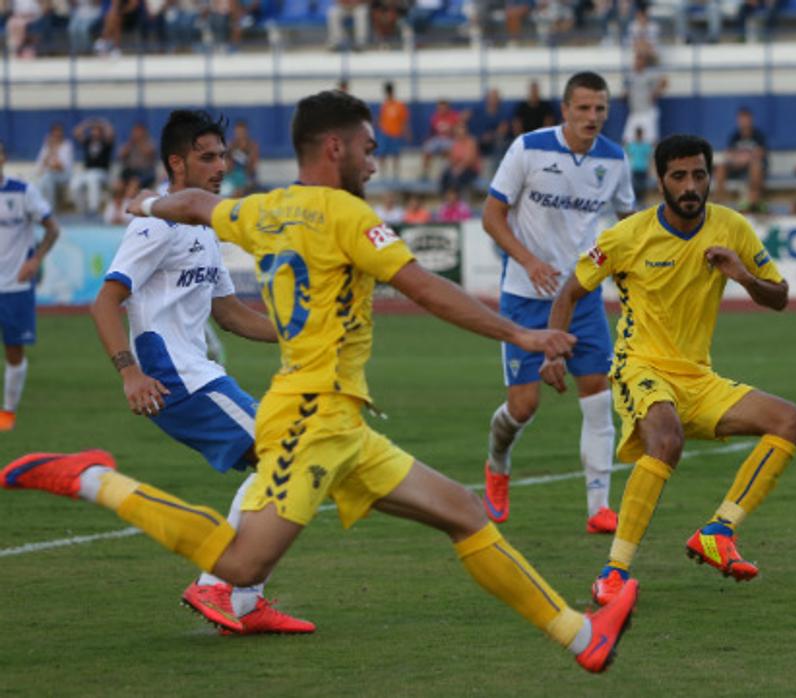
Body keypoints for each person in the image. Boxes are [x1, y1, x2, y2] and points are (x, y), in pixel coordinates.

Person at [0, 89, 638, 672]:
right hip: (309, 416)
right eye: (368, 146)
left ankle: (583, 637)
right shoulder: (347, 216)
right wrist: (522, 335)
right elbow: (425, 287)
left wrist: (144, 202)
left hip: (343, 422)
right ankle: (91, 478)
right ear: (334, 147)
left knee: (465, 512)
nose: (375, 161)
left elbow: (194, 203)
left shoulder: (264, 210)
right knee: (242, 562)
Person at [542, 133, 796, 606]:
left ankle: (718, 531)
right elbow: (570, 292)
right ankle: (614, 572)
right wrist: (553, 351)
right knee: (667, 441)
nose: (690, 186)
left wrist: (742, 276)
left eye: (699, 176)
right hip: (640, 366)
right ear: (660, 180)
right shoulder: (627, 236)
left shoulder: (731, 227)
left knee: (790, 422)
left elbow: (779, 296)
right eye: (679, 176)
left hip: (698, 378)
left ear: (711, 177)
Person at [90, 110, 315, 635]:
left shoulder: (204, 227)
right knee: (289, 452)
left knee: (284, 460)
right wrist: (130, 375)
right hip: (174, 377)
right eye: (207, 157)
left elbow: (231, 314)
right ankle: (222, 586)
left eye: (223, 155)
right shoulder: (156, 224)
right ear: (177, 163)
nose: (221, 166)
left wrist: (296, 335)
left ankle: (243, 596)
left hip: (197, 372)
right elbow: (104, 302)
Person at [481, 71, 635, 535]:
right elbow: (492, 217)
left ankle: (598, 507)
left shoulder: (615, 159)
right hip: (525, 299)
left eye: (600, 109)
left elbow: (629, 224)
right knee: (524, 407)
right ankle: (497, 462)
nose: (593, 117)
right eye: (584, 108)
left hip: (582, 296)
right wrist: (528, 261)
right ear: (565, 109)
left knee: (597, 392)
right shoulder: (528, 148)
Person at [0, 140, 60, 432]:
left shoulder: (23, 192)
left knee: (14, 352)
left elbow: (52, 228)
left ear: (3, 157)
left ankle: (8, 412)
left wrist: (35, 260)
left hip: (15, 286)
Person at [713, 106, 767, 212]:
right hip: (737, 166)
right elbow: (729, 154)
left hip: (753, 166)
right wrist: (738, 159)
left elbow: (761, 153)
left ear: (751, 120)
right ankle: (720, 203)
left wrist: (747, 158)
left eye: (746, 119)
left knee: (756, 166)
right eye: (742, 119)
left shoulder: (758, 135)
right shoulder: (734, 136)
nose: (744, 122)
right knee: (720, 167)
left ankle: (752, 203)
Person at [621, 49, 667, 146]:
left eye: (639, 59)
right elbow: (625, 91)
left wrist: (656, 93)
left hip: (647, 111)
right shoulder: (630, 76)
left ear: (644, 62)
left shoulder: (650, 74)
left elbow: (664, 81)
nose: (637, 62)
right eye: (636, 59)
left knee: (651, 140)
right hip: (635, 111)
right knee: (627, 140)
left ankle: (653, 160)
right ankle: (629, 161)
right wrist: (625, 95)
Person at [72, 117, 115, 216]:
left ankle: (93, 209)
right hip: (87, 172)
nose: (94, 133)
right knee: (75, 184)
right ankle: (82, 210)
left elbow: (111, 132)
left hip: (102, 173)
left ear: (101, 132)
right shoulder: (88, 142)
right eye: (93, 131)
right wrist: (88, 124)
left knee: (93, 178)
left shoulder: (106, 142)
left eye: (97, 130)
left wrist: (101, 123)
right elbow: (76, 132)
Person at [35, 123, 74, 211]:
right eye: (55, 133)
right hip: (49, 175)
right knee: (43, 179)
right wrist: (49, 149)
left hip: (64, 175)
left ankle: (49, 208)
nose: (57, 135)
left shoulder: (67, 145)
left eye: (59, 133)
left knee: (47, 177)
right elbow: (40, 166)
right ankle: (39, 207)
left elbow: (61, 166)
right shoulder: (46, 147)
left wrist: (53, 150)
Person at [376, 82, 411, 180]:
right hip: (384, 133)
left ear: (392, 92)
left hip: (395, 133)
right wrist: (380, 126)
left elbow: (404, 121)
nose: (388, 95)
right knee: (382, 154)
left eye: (389, 92)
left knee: (396, 155)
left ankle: (396, 175)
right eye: (387, 93)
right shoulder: (384, 105)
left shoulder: (399, 105)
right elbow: (380, 119)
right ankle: (383, 174)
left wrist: (407, 133)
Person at [222, 120, 260, 197]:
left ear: (246, 131)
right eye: (238, 131)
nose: (240, 134)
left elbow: (252, 167)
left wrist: (240, 157)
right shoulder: (231, 145)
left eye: (242, 131)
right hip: (232, 176)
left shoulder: (252, 146)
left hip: (247, 177)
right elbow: (226, 162)